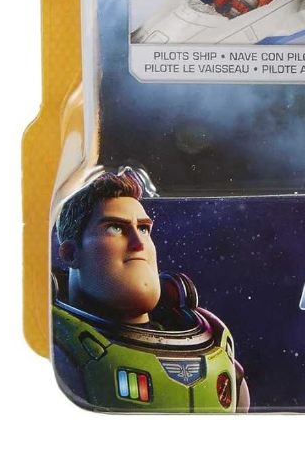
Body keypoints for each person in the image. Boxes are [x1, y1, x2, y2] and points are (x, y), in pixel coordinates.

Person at [52, 171, 249, 411]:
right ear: (70, 253)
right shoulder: (60, 360)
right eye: (115, 228)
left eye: (144, 229)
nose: (138, 243)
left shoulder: (220, 359)